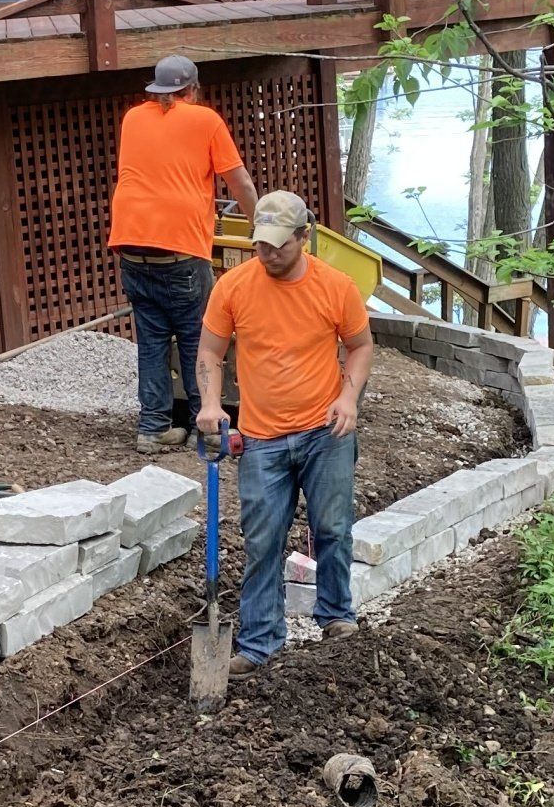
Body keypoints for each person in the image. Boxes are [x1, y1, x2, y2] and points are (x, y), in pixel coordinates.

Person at [195, 190, 373, 666]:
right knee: (262, 540)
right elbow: (210, 350)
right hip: (261, 438)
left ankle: (336, 616)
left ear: (303, 236)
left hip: (325, 432)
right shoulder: (233, 287)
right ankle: (259, 643)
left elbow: (360, 346)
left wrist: (347, 398)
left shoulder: (335, 287)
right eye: (261, 244)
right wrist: (210, 404)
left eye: (279, 244)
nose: (268, 253)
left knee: (332, 527)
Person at [108, 53, 258, 455]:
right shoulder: (206, 120)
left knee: (152, 340)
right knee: (199, 340)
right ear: (192, 89)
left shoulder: (133, 118)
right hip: (181, 249)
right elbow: (240, 183)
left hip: (132, 247)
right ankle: (204, 427)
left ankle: (153, 427)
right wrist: (261, 226)